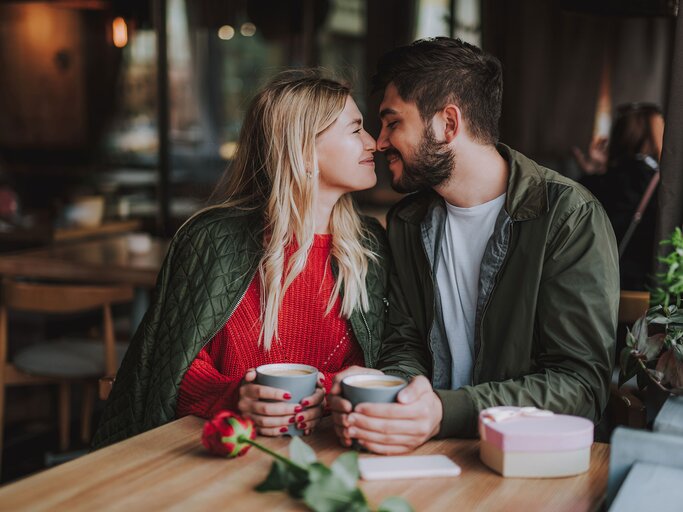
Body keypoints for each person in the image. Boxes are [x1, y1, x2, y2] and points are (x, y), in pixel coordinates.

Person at [329, 37, 620, 454]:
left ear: (448, 124)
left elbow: (580, 387)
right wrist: (398, 396)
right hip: (426, 451)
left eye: (393, 122)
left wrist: (445, 412)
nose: (379, 141)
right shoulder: (408, 221)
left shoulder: (569, 217)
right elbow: (405, 342)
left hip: (531, 459)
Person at [92, 70, 390, 449]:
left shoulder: (370, 245)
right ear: (303, 150)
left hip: (333, 452)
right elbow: (168, 373)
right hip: (218, 452)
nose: (373, 143)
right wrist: (235, 397)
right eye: (355, 129)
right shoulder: (211, 240)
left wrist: (332, 391)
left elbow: (381, 364)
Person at [581, 103, 664, 290]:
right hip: (646, 288)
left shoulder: (598, 182)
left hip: (597, 284)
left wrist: (595, 171)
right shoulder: (663, 185)